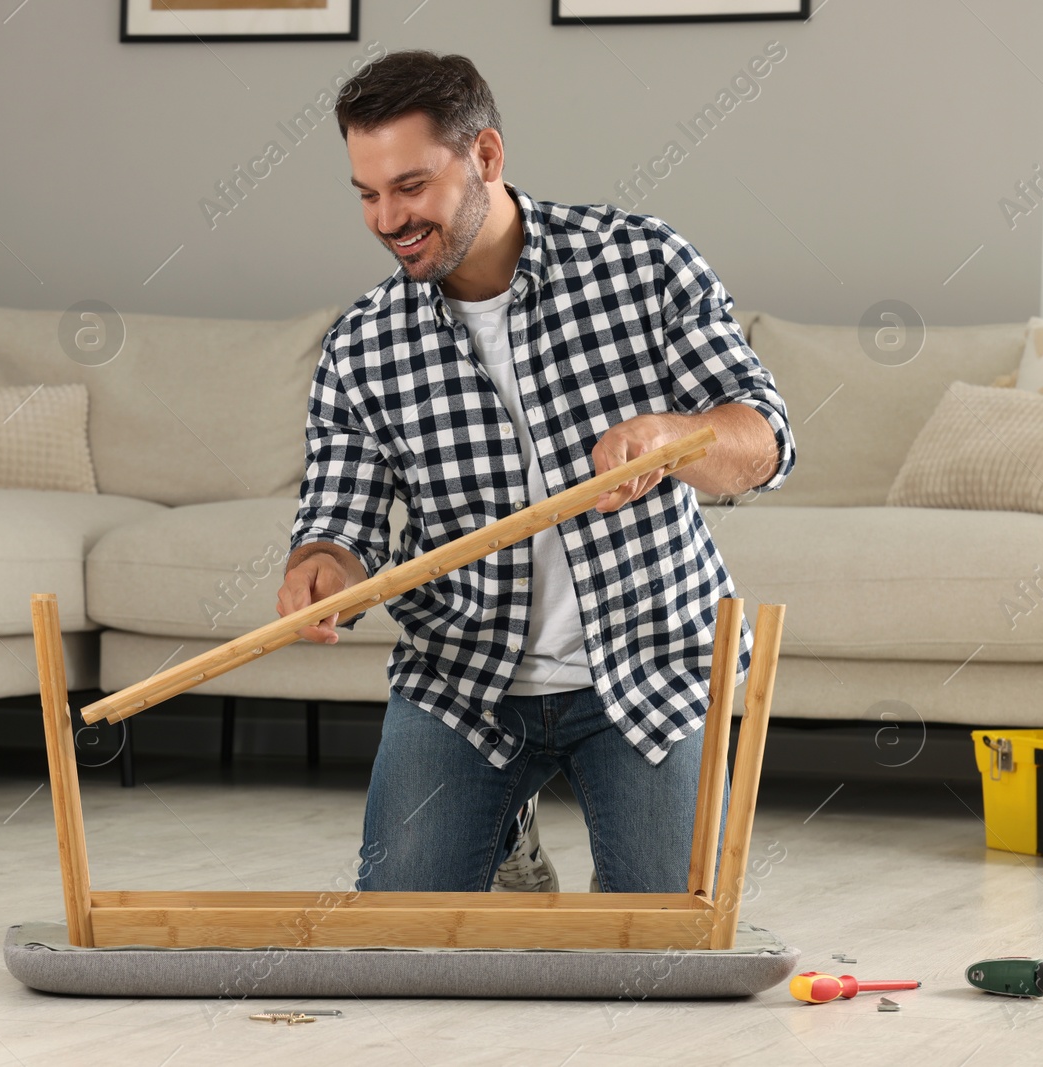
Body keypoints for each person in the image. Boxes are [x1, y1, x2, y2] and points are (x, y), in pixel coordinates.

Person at [275, 51, 796, 895]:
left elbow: (764, 439)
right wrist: (320, 569)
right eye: (367, 194)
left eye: (410, 186)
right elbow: (339, 520)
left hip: (650, 664)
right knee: (396, 937)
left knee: (665, 946)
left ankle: (517, 820)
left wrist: (676, 434)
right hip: (463, 678)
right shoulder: (363, 343)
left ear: (485, 157)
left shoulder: (641, 263)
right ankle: (504, 830)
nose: (386, 218)